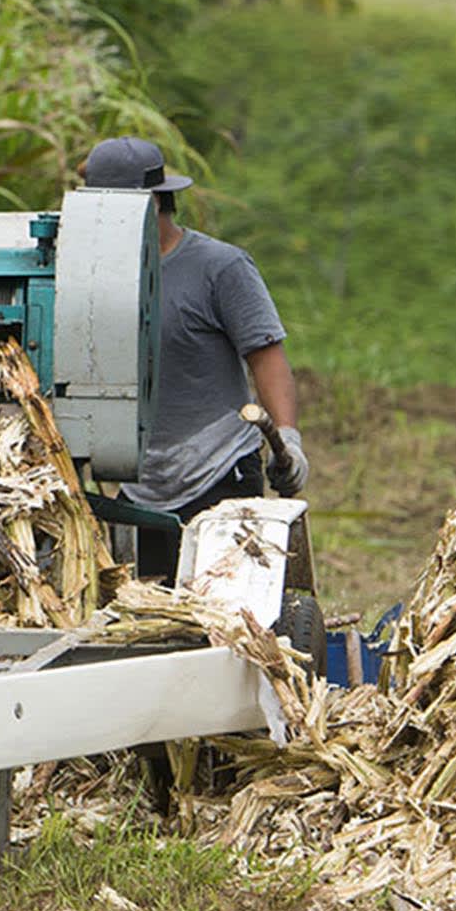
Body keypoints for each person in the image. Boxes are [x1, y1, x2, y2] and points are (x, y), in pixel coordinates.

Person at [80, 134, 305, 583]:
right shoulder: (93, 275)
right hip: (138, 480)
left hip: (218, 471)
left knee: (224, 611)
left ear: (153, 204)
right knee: (148, 617)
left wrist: (288, 438)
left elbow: (267, 357)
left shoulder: (220, 268)